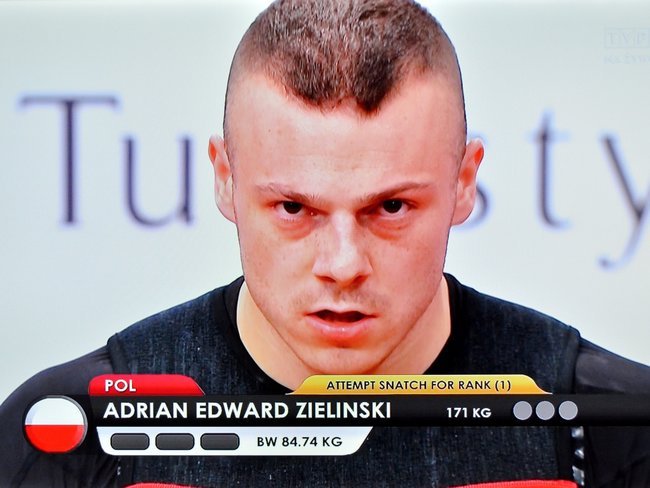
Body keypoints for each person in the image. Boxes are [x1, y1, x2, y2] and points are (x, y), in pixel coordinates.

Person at [1, 0, 649, 486]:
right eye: (294, 208)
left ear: (463, 182)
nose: (342, 265)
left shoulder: (611, 427)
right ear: (225, 180)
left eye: (390, 207)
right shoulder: (69, 430)